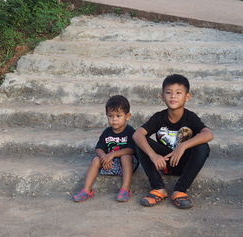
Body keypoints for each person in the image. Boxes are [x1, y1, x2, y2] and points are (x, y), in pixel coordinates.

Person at [133, 74, 213, 209]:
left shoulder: (190, 117)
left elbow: (208, 134)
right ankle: (158, 188)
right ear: (162, 96)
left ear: (187, 97)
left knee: (203, 146)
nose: (173, 96)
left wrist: (182, 147)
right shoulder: (159, 117)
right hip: (163, 163)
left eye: (178, 93)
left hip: (183, 162)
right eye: (169, 92)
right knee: (139, 141)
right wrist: (153, 155)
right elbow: (137, 134)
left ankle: (180, 190)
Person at [73, 95, 139, 202]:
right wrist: (104, 157)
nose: (114, 120)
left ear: (127, 116)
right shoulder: (107, 132)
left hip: (127, 165)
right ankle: (86, 190)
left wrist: (112, 154)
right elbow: (99, 148)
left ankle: (125, 189)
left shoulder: (130, 131)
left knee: (126, 157)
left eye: (118, 116)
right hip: (109, 164)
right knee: (96, 159)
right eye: (110, 116)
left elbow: (132, 149)